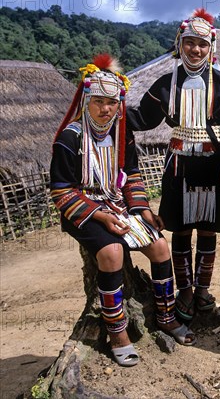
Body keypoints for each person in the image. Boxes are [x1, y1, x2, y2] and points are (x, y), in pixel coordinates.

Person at [50, 54, 196, 368]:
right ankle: (118, 333)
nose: (106, 109)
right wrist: (101, 216)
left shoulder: (121, 134)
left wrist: (142, 209)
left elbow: (130, 175)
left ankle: (166, 317)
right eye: (99, 101)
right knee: (112, 253)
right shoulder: (70, 138)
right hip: (84, 210)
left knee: (159, 246)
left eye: (113, 103)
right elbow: (62, 190)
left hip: (116, 203)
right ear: (87, 99)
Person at [127, 8, 220, 323]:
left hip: (212, 164)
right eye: (190, 42)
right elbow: (142, 117)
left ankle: (203, 289)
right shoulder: (166, 83)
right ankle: (185, 291)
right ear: (180, 44)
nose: (196, 49)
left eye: (202, 44)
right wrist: (111, 111)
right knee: (179, 231)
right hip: (179, 165)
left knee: (207, 230)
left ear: (211, 47)